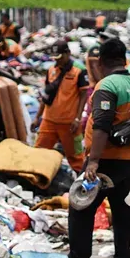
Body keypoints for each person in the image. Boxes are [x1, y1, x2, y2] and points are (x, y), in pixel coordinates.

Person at [69, 38, 130, 258]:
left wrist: (93, 160)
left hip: (105, 161)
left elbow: (102, 125)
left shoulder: (106, 86)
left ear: (101, 61)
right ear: (124, 59)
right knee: (124, 210)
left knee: (81, 207)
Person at [32, 41, 90, 171]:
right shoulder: (51, 71)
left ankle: (81, 186)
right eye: (55, 58)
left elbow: (83, 96)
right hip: (49, 121)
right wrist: (37, 117)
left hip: (69, 124)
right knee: (38, 154)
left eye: (60, 58)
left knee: (76, 158)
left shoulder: (78, 72)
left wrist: (77, 118)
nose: (57, 61)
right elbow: (45, 97)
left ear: (68, 54)